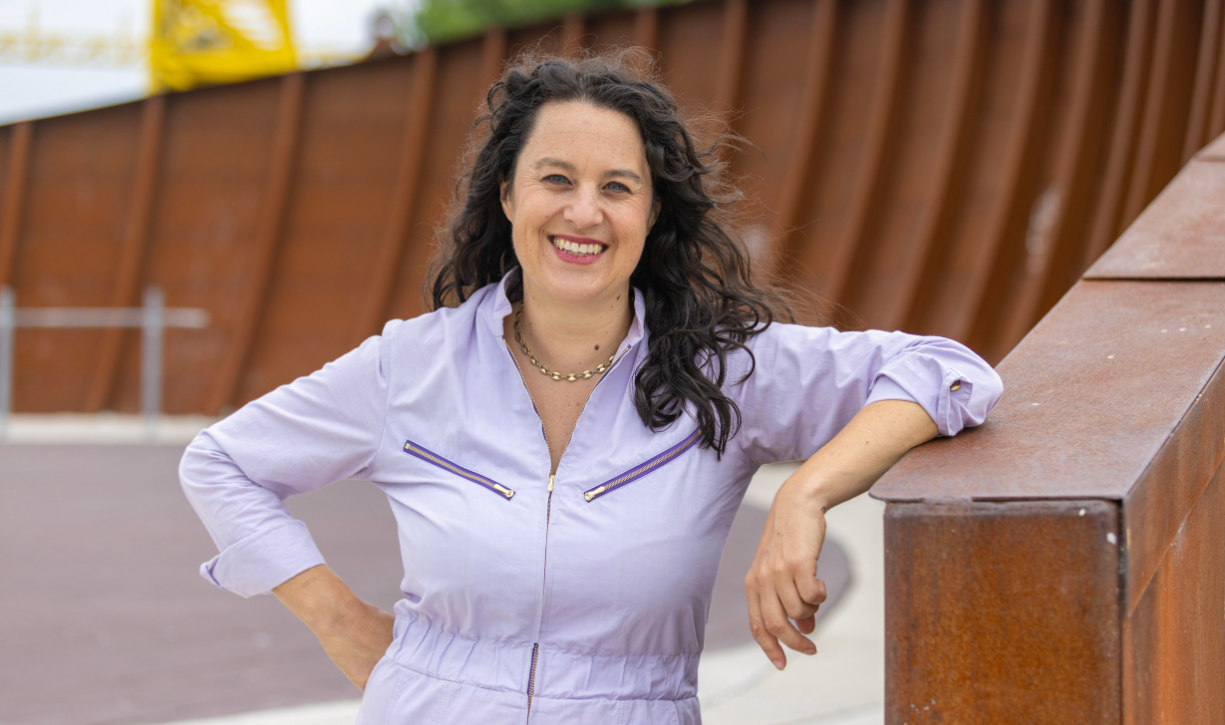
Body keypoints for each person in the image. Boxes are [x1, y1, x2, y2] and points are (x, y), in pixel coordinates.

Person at [180, 49, 1002, 724]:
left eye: (616, 186)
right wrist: (339, 619)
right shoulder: (412, 366)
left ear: (651, 215)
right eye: (555, 180)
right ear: (507, 196)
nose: (584, 212)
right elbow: (222, 462)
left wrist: (806, 494)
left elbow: (949, 372)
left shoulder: (719, 369)